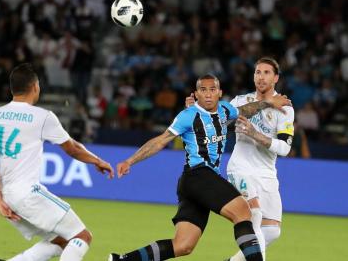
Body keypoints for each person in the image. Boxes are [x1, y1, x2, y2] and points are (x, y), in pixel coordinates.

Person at [109, 74, 291, 261]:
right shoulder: (188, 116)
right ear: (196, 94)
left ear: (220, 92)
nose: (208, 94)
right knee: (243, 211)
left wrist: (268, 102)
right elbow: (160, 141)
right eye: (203, 90)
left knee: (183, 245)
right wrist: (130, 161)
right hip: (198, 175)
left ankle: (121, 260)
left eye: (212, 89)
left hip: (193, 184)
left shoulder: (225, 110)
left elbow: (245, 110)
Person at [0, 63, 114, 261]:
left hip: (8, 197)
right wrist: (97, 160)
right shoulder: (42, 117)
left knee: (61, 240)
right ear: (35, 87)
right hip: (28, 194)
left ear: (11, 89)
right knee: (82, 236)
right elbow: (72, 148)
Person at [186, 57, 295, 261]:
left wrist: (256, 135)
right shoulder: (240, 101)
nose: (261, 77)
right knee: (254, 215)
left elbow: (284, 148)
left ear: (276, 78)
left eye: (266, 73)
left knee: (272, 231)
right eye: (257, 72)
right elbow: (215, 120)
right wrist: (197, 108)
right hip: (240, 169)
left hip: (267, 173)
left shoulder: (284, 108)